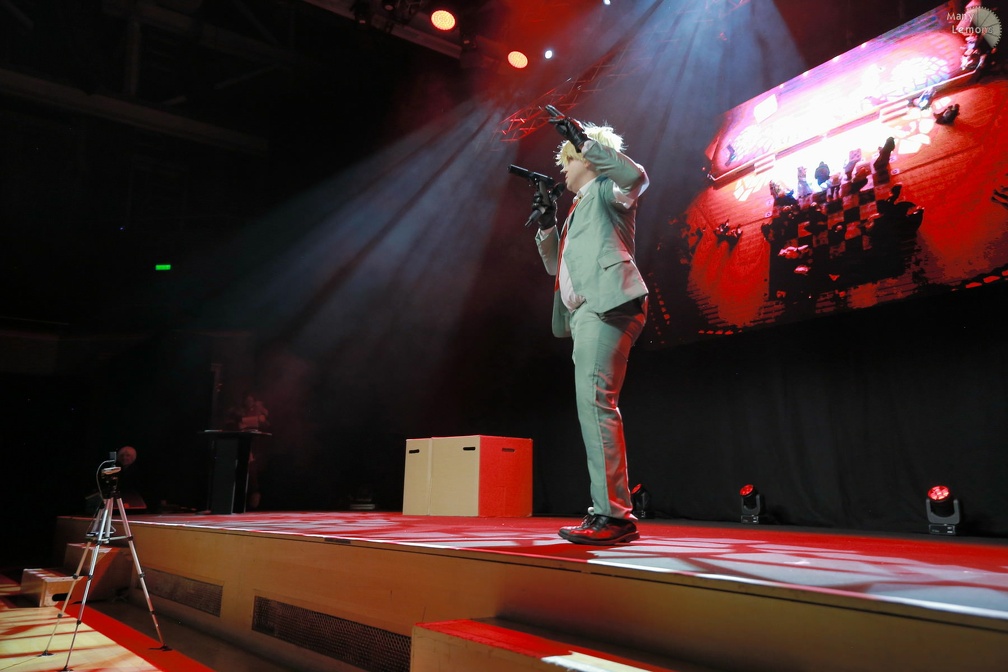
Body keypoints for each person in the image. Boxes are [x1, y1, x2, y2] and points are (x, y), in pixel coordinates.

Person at [532, 106, 649, 546]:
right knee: (593, 405)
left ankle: (613, 516)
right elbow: (555, 268)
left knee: (597, 404)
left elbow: (635, 177)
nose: (563, 168)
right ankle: (609, 511)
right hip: (585, 313)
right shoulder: (578, 208)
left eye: (568, 158)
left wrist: (584, 140)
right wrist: (548, 225)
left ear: (587, 157)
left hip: (606, 304)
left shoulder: (607, 188)